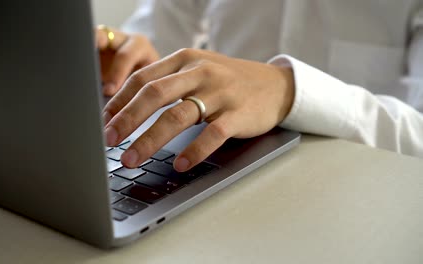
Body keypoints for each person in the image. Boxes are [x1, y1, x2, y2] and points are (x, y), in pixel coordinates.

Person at [96, 0, 423, 172]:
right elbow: (159, 40)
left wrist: (290, 91)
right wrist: (131, 59)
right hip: (213, 166)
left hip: (356, 188)